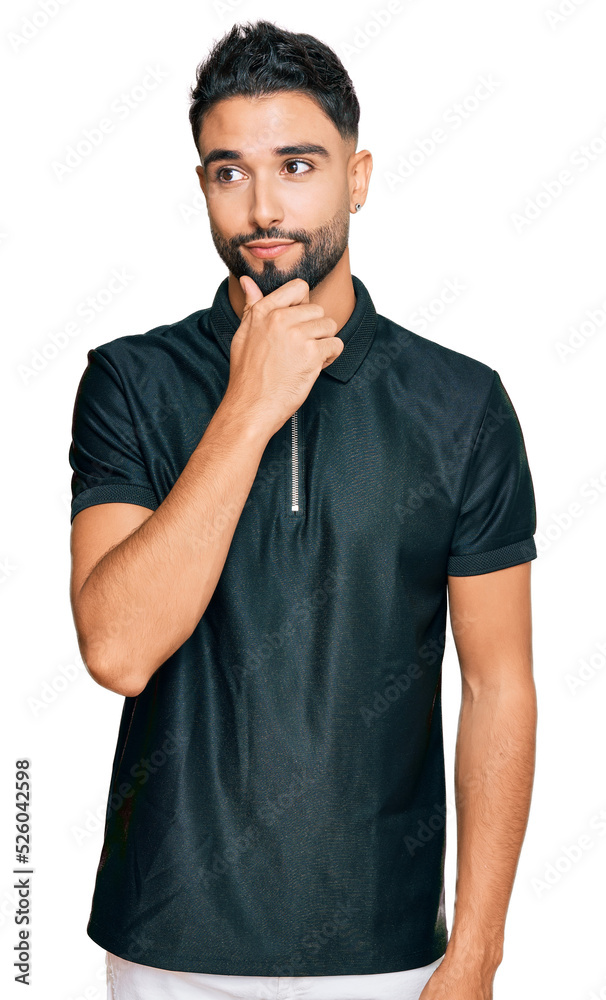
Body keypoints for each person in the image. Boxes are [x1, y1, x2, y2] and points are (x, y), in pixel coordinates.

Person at [68, 19, 538, 1000]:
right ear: (203, 186)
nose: (264, 205)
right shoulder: (131, 383)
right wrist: (248, 406)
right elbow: (118, 649)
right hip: (167, 946)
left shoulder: (462, 405)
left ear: (356, 178)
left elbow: (498, 683)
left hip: (390, 952)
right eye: (229, 172)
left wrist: (478, 952)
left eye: (296, 165)